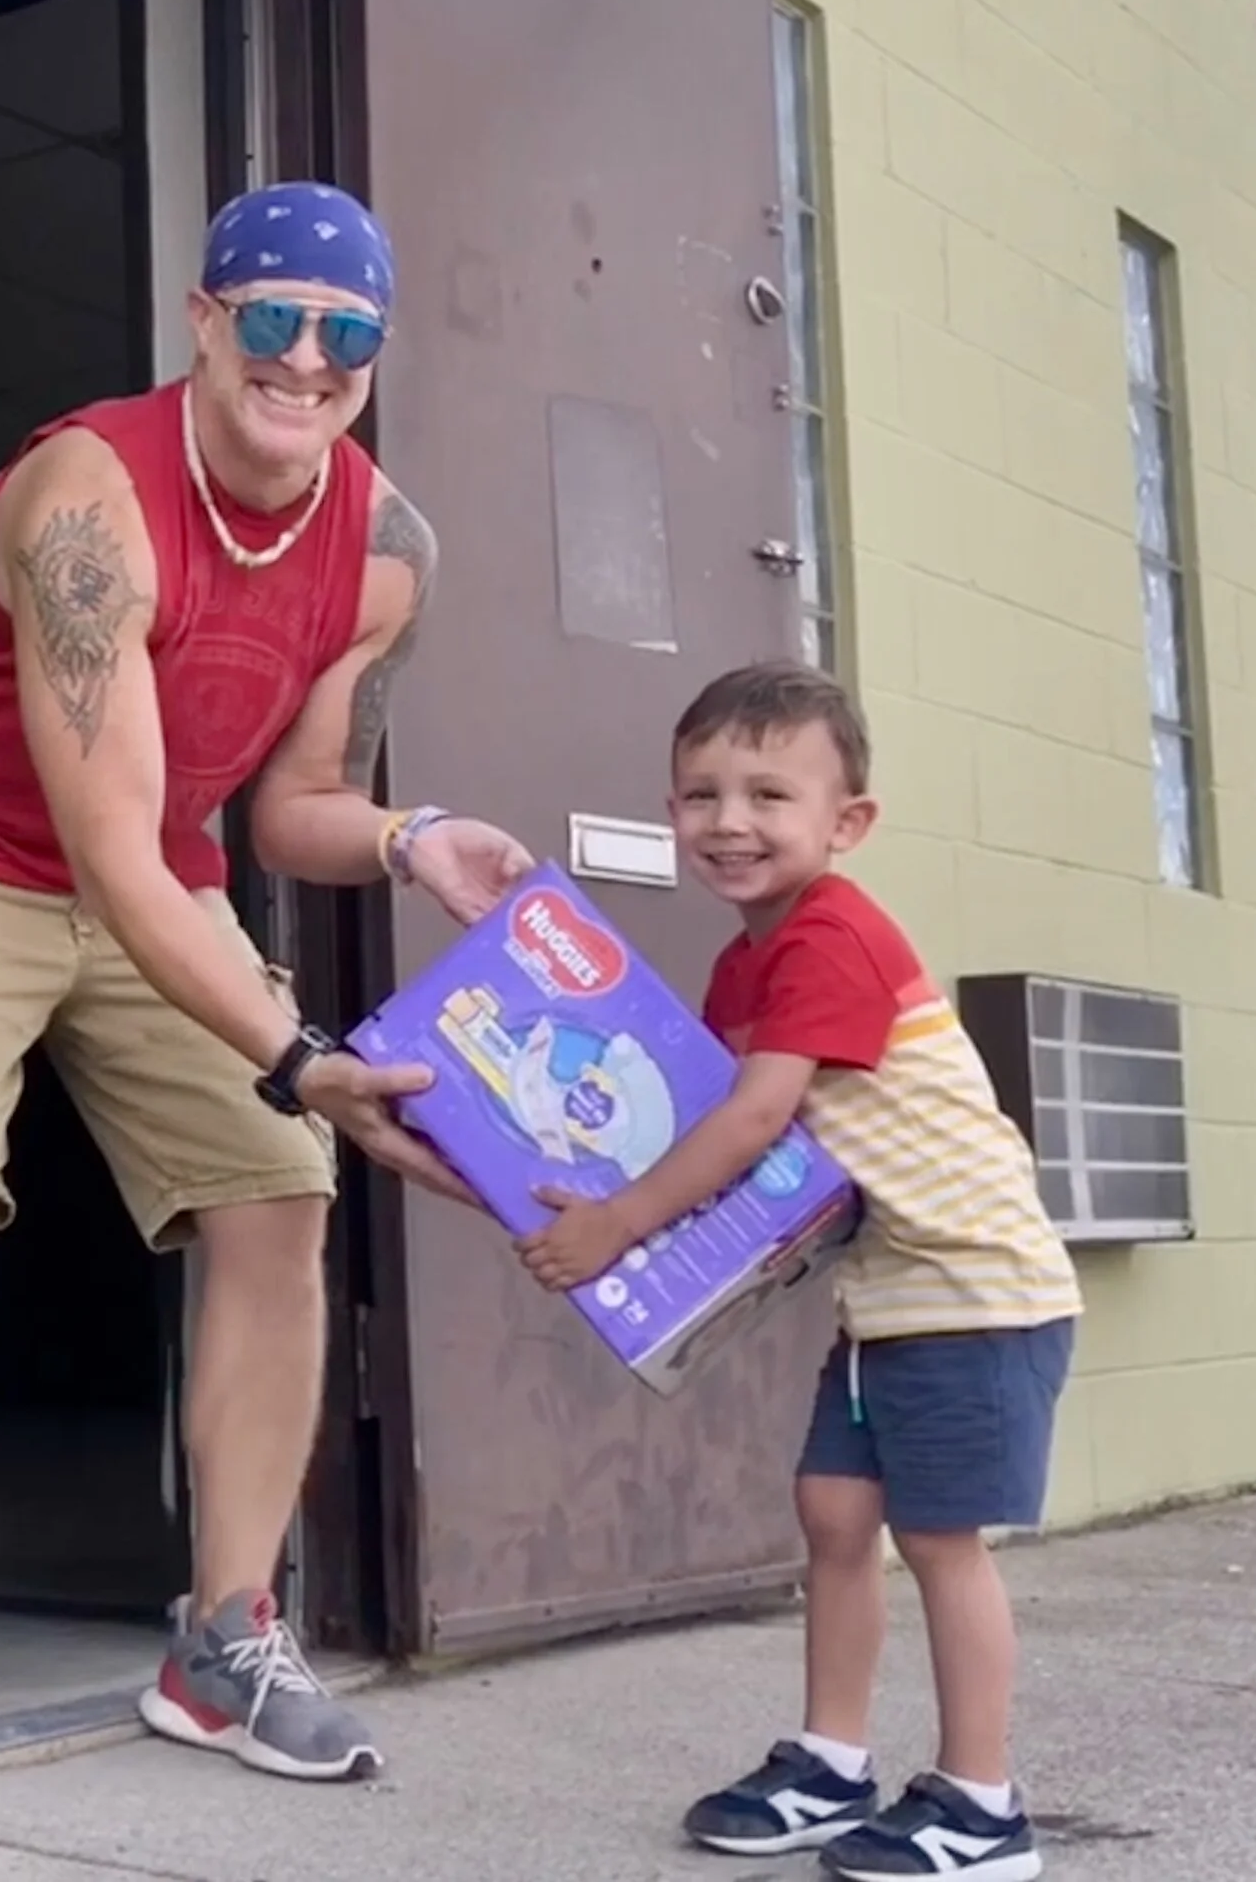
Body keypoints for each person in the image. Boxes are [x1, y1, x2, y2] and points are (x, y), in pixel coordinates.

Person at [0, 181, 531, 1782]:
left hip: (152, 868)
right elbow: (112, 843)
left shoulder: (387, 552)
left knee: (279, 1188)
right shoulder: (88, 500)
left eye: (347, 336)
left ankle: (224, 1636)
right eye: (273, 319)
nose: (307, 361)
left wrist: (414, 836)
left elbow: (284, 809)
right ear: (205, 320)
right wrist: (301, 1047)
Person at [516, 661, 1081, 1882]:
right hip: (886, 1295)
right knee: (832, 1514)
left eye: (768, 793)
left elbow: (754, 1123)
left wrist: (618, 1224)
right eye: (698, 792)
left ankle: (982, 1801)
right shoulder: (744, 963)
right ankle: (833, 1760)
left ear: (847, 822)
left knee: (939, 1538)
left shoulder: (832, 931)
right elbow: (712, 1134)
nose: (728, 820)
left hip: (976, 1291)